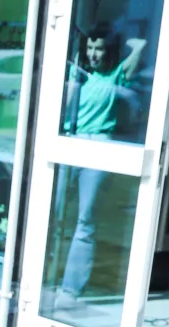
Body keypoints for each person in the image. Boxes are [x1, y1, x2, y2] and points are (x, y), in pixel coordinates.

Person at [56, 25, 146, 307]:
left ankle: (70, 290)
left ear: (108, 51)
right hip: (71, 141)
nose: (94, 54)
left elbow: (133, 61)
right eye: (90, 48)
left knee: (85, 220)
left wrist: (138, 47)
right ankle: (46, 276)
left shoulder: (114, 75)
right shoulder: (78, 75)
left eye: (100, 49)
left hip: (99, 146)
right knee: (54, 212)